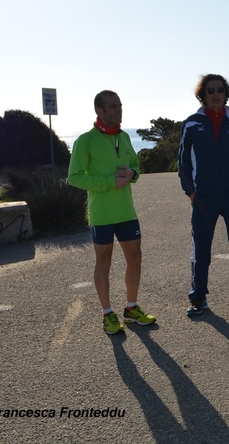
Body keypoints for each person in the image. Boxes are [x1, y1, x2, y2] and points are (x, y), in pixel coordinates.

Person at [68, 90, 156, 335]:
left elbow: (136, 167)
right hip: (102, 215)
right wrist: (109, 182)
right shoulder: (85, 141)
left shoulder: (124, 138)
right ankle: (107, 313)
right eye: (113, 107)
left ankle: (131, 308)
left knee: (135, 258)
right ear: (100, 111)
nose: (119, 110)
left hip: (126, 211)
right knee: (104, 262)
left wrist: (132, 175)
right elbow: (74, 177)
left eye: (120, 105)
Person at [178, 74, 229, 316]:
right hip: (204, 198)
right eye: (210, 90)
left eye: (219, 90)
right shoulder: (191, 124)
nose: (215, 94)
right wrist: (191, 192)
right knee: (200, 249)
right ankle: (198, 297)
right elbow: (183, 162)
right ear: (203, 94)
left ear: (226, 93)